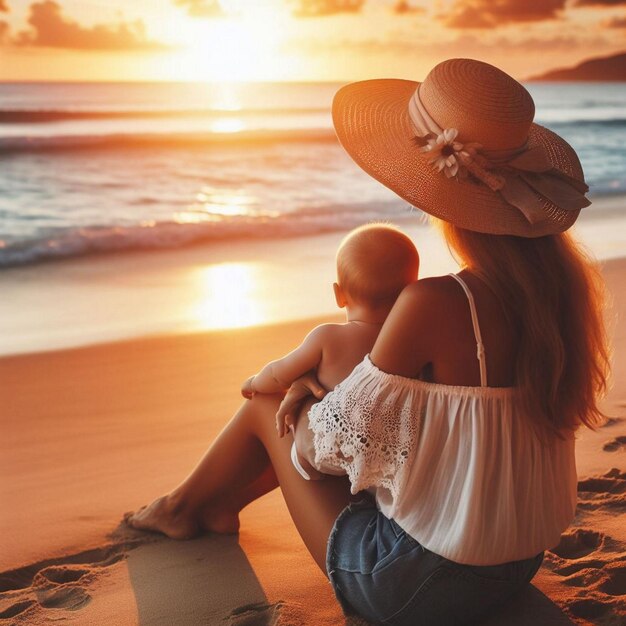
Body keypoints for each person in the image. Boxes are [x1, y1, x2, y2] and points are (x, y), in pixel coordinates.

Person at [126, 59, 610, 625]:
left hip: (413, 585)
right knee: (325, 413)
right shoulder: (561, 298)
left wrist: (310, 390)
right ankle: (205, 507)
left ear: (435, 195)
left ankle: (183, 509)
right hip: (515, 561)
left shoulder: (435, 301)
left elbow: (324, 451)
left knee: (267, 405)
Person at [240, 223, 419, 482]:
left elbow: (278, 375)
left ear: (339, 294)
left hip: (328, 452)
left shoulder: (327, 337)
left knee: (283, 407)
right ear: (409, 293)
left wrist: (255, 381)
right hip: (388, 454)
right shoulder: (411, 340)